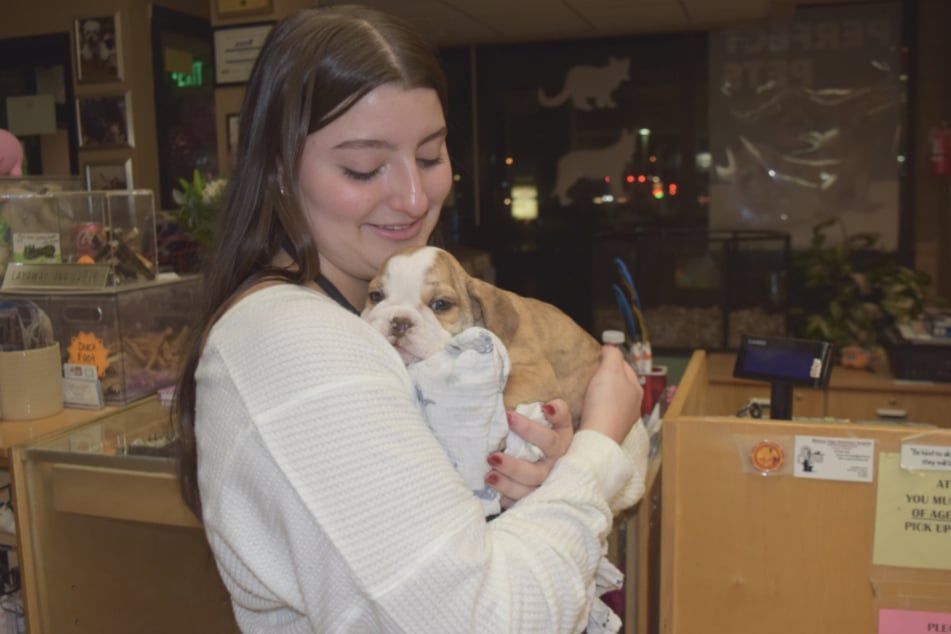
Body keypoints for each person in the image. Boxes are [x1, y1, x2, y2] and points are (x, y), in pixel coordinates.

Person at [173, 5, 648, 632]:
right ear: (279, 171)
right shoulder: (294, 340)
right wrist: (596, 448)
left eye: (430, 156)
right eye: (364, 168)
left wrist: (543, 483)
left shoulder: (353, 313)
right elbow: (490, 621)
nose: (415, 199)